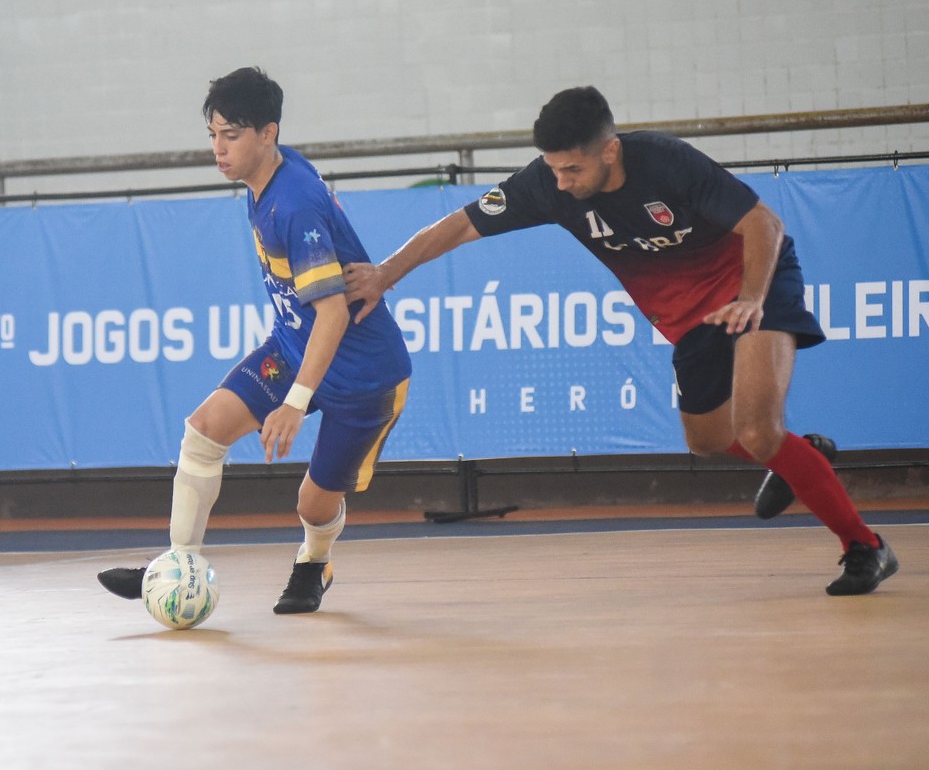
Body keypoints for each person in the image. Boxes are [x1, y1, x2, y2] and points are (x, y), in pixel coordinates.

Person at [344, 86, 897, 596]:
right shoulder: (546, 183)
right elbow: (458, 226)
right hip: (690, 318)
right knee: (708, 440)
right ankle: (795, 458)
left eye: (572, 168)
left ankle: (864, 546)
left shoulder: (667, 161)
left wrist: (752, 297)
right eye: (552, 169)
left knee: (756, 429)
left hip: (754, 281)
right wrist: (383, 274)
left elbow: (764, 225)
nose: (560, 182)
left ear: (610, 150)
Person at [98, 67, 412, 614]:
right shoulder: (267, 175)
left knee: (312, 505)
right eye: (213, 135)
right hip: (293, 348)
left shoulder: (294, 203)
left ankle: (314, 561)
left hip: (363, 377)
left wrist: (294, 403)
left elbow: (333, 314)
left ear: (268, 134)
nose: (218, 149)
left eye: (232, 135)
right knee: (203, 431)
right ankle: (178, 565)